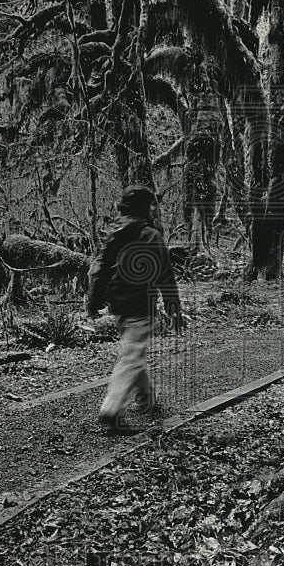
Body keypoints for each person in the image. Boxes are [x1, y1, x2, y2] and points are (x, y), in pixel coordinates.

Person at [87, 184, 183, 434]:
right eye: (152, 205)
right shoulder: (151, 235)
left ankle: (147, 401)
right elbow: (166, 277)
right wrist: (174, 310)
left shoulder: (115, 233)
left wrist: (94, 303)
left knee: (134, 351)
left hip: (118, 305)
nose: (154, 210)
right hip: (141, 305)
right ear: (144, 208)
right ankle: (111, 408)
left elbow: (100, 268)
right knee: (131, 357)